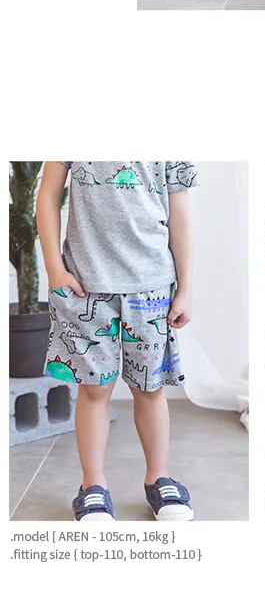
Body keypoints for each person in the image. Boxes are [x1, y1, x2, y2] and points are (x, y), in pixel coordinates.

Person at [35, 159, 197, 522]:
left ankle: (159, 478)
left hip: (151, 287)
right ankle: (92, 484)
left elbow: (180, 213)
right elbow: (48, 195)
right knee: (94, 390)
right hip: (85, 286)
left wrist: (186, 288)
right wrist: (54, 269)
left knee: (150, 388)